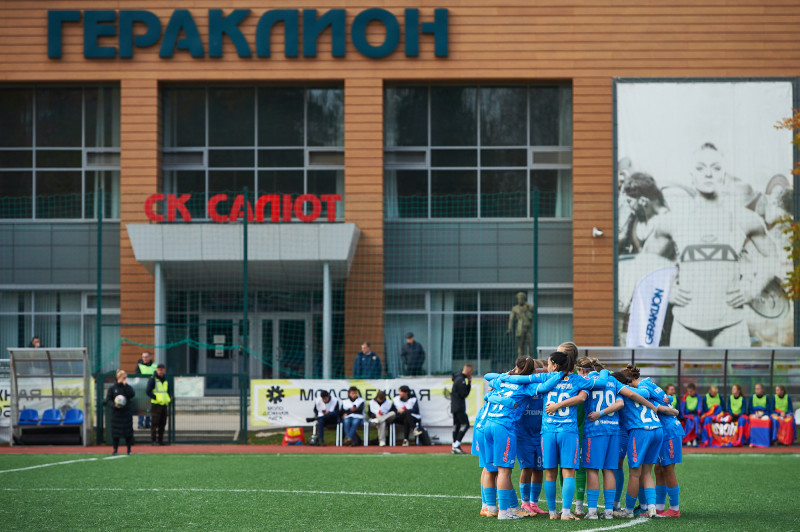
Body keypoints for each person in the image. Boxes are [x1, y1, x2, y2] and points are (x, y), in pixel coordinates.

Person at [647, 142, 778, 347]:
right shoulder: (674, 220)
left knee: (737, 380)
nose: (708, 174)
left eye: (715, 168)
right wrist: (666, 291)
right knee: (683, 381)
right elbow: (645, 260)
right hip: (686, 324)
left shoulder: (744, 218)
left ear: (723, 174)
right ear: (692, 174)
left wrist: (752, 290)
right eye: (701, 168)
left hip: (731, 324)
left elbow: (772, 256)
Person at [482, 356, 564, 519]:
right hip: (504, 426)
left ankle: (495, 507)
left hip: (489, 424)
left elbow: (488, 377)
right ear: (532, 372)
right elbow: (546, 385)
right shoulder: (526, 386)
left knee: (494, 469)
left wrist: (506, 376)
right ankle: (505, 511)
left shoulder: (502, 381)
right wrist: (562, 374)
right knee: (504, 471)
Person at [577, 357, 658, 520]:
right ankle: (608, 511)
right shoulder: (613, 381)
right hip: (614, 430)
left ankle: (592, 512)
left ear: (582, 370)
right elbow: (626, 398)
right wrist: (653, 406)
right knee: (609, 471)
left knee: (592, 470)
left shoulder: (585, 380)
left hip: (595, 429)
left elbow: (578, 397)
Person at [540, 351, 609, 520]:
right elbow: (583, 397)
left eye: (549, 363)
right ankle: (565, 512)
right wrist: (605, 371)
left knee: (549, 473)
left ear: (555, 365)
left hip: (548, 431)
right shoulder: (579, 380)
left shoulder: (546, 379)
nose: (547, 366)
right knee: (568, 472)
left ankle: (552, 512)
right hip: (568, 432)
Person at [613, 365, 667, 519]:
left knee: (635, 474)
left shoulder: (621, 392)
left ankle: (629, 511)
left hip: (641, 430)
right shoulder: (641, 389)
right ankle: (651, 508)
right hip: (657, 428)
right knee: (647, 472)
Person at [106, 369, 135, 455]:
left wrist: (126, 386)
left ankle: (129, 450)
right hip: (116, 414)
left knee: (128, 433)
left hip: (126, 413)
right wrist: (114, 405)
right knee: (116, 433)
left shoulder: (127, 387)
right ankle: (115, 449)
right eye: (123, 377)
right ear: (118, 377)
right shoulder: (112, 388)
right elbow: (108, 400)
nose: (125, 379)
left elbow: (132, 395)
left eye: (125, 377)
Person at [450, 363, 473, 454]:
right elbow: (464, 394)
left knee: (457, 426)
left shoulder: (457, 378)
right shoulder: (461, 380)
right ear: (469, 371)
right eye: (471, 372)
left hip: (454, 406)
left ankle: (454, 446)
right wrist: (469, 383)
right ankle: (456, 444)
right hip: (459, 406)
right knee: (465, 424)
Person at [146, 363, 171, 446]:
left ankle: (160, 440)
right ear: (157, 370)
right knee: (154, 423)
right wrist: (156, 398)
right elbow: (148, 391)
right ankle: (154, 440)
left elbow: (167, 391)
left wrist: (168, 398)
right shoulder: (153, 379)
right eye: (159, 369)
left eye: (162, 369)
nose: (161, 371)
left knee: (163, 423)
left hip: (164, 404)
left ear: (164, 370)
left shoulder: (166, 379)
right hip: (156, 404)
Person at [507, 292, 535, 357]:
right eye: (519, 298)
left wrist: (527, 305)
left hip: (528, 328)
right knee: (520, 347)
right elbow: (511, 319)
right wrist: (509, 328)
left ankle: (533, 361)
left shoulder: (527, 307)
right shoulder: (515, 308)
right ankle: (520, 362)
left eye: (522, 298)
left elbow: (534, 307)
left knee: (531, 346)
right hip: (520, 328)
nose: (520, 300)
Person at [136, 351, 156, 429]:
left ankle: (147, 423)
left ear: (150, 357)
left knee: (149, 407)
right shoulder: (139, 366)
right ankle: (140, 423)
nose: (144, 358)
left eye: (146, 357)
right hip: (142, 389)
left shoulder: (155, 366)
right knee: (141, 407)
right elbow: (137, 376)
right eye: (143, 357)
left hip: (151, 389)